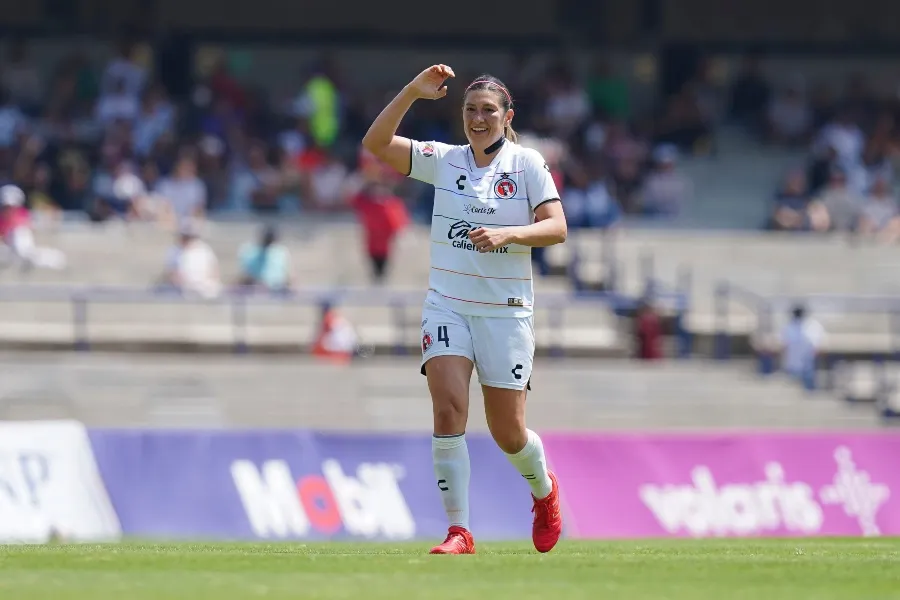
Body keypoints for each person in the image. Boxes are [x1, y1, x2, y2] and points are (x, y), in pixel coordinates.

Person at [362, 65, 568, 555]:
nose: (479, 118)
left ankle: (545, 491)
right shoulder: (445, 160)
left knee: (508, 432)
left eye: (489, 111)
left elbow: (557, 227)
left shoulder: (527, 165)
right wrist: (412, 91)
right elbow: (376, 142)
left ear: (507, 116)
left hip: (505, 312)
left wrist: (509, 234)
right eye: (471, 110)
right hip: (447, 306)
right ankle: (460, 531)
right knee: (448, 408)